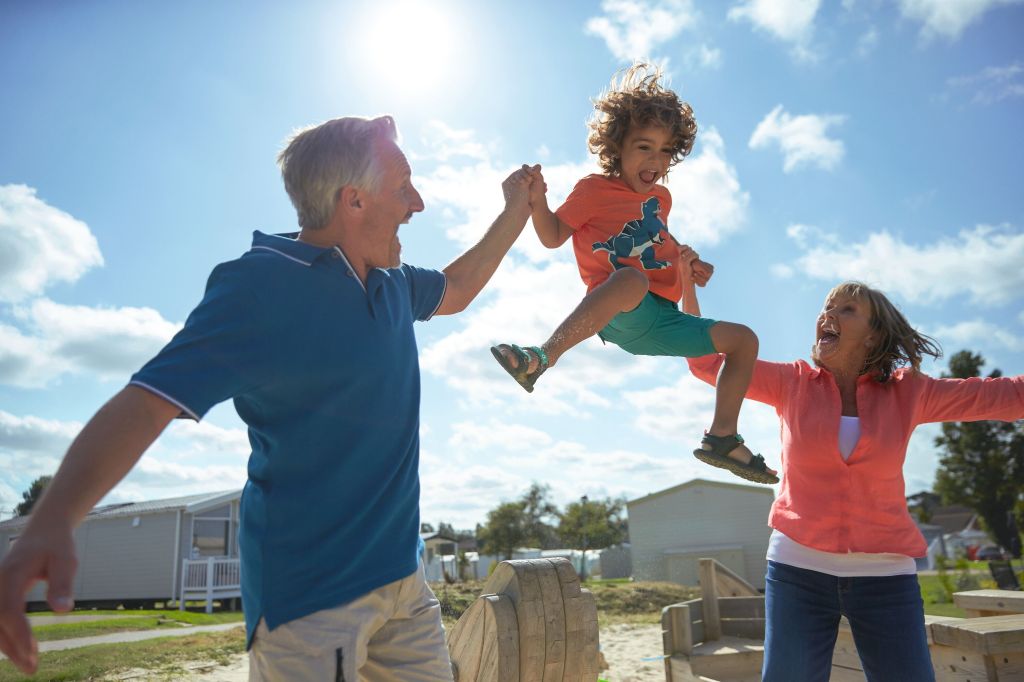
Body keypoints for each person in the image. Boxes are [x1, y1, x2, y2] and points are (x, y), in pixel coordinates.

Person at [0, 115, 536, 680]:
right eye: (403, 186)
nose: (418, 203)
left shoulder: (392, 282)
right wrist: (52, 519)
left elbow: (458, 288)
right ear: (353, 201)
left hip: (404, 581)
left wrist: (515, 212)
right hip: (312, 598)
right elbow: (148, 400)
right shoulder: (259, 288)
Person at [682, 271, 1024, 681]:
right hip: (797, 570)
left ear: (873, 336)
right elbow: (707, 363)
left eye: (847, 309)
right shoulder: (792, 382)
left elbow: (1009, 396)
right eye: (827, 307)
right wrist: (687, 284)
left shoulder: (910, 392)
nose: (829, 314)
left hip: (886, 577)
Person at [491, 63, 776, 485]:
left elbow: (656, 233)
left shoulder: (662, 198)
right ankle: (540, 358)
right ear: (617, 146)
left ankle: (722, 437)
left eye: (665, 151)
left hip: (663, 319)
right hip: (620, 310)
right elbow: (552, 236)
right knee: (631, 280)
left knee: (744, 339)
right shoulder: (592, 190)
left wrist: (686, 261)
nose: (655, 161)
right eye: (644, 147)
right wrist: (535, 202)